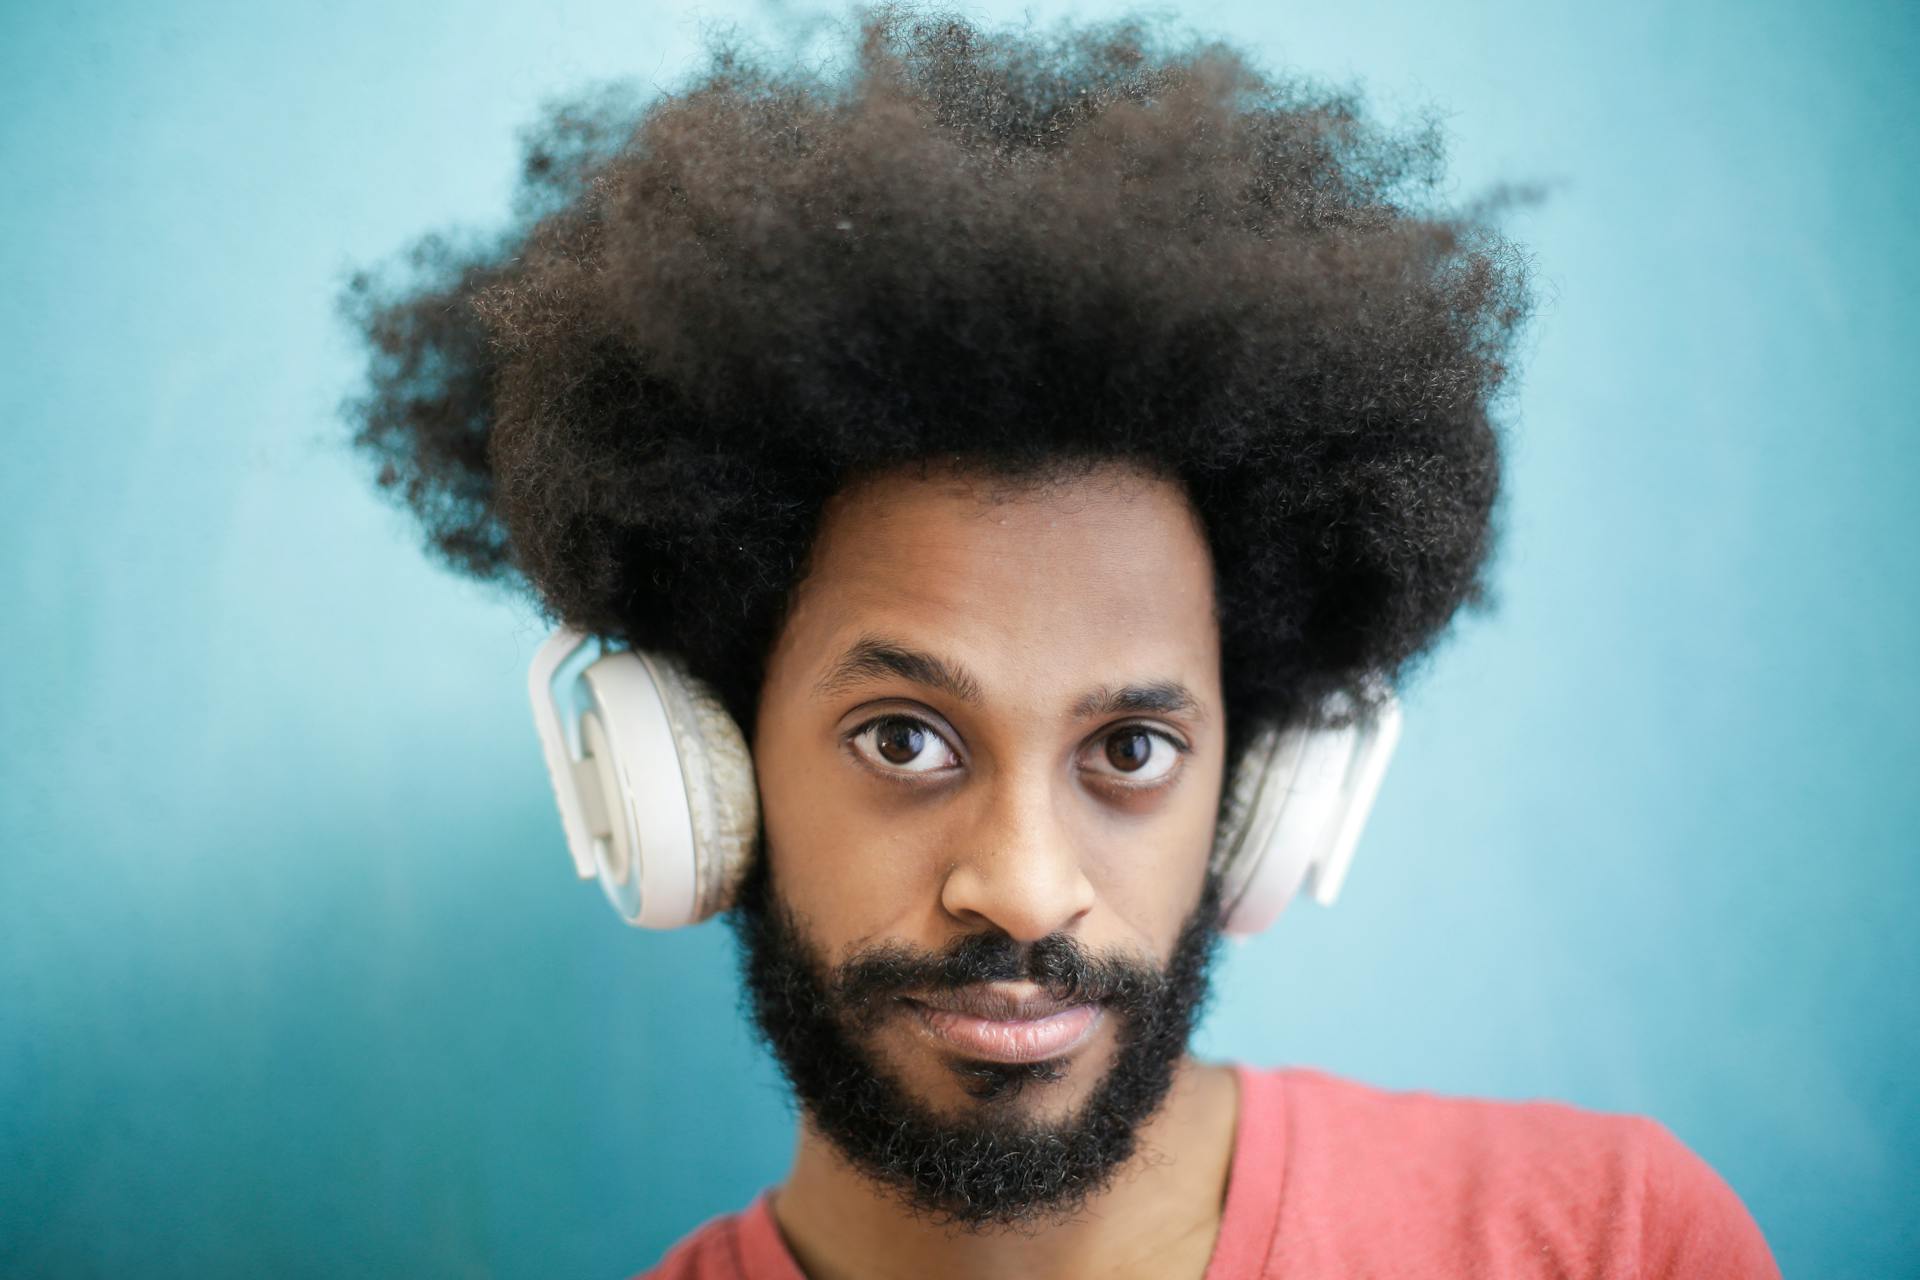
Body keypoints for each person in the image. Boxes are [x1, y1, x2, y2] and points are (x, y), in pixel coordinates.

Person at [340, 6, 1780, 1275]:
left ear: (1265, 789)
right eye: (904, 737)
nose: (1023, 892)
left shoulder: (1609, 1243)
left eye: (1132, 748)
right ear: (702, 769)